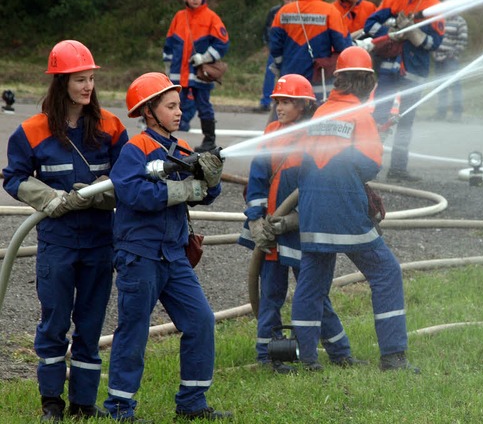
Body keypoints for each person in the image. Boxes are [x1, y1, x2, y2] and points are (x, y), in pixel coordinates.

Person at [2, 40, 128, 422]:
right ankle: (51, 402)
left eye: (91, 79)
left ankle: (84, 405)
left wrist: (100, 193)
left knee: (90, 325)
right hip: (57, 243)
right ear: (60, 83)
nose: (88, 87)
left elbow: (127, 177)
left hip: (98, 241)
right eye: (79, 79)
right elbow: (14, 178)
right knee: (55, 323)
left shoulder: (111, 126)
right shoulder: (31, 131)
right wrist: (51, 198)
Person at [103, 72, 231, 421]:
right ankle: (119, 408)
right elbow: (132, 192)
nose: (179, 112)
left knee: (201, 320)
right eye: (170, 106)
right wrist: (183, 191)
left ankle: (193, 403)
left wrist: (212, 177)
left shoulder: (184, 150)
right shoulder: (136, 149)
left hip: (173, 255)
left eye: (179, 105)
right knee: (134, 330)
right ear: (148, 112)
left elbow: (206, 193)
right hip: (139, 254)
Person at [291, 46, 419, 373]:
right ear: (365, 82)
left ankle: (305, 359)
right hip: (345, 211)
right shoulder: (361, 116)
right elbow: (371, 166)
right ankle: (393, 357)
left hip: (312, 212)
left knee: (312, 284)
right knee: (385, 272)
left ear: (339, 80)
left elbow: (306, 162)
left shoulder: (320, 113)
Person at [238, 74, 365, 373]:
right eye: (277, 101)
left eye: (286, 102)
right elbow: (257, 179)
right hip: (270, 233)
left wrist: (293, 221)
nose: (279, 107)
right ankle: (268, 356)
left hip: (301, 232)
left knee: (314, 293)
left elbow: (320, 189)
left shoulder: (315, 136)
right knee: (271, 294)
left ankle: (339, 352)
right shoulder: (271, 132)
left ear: (305, 106)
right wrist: (256, 221)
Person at [364, 0, 445, 182]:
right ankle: (369, 164)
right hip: (389, 69)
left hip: (415, 71)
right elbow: (370, 24)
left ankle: (398, 168)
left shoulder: (434, 6)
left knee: (405, 122)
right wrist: (392, 30)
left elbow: (434, 43)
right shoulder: (392, 0)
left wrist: (414, 34)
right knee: (378, 116)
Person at [270, 0, 352, 102]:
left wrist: (282, 66)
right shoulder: (330, 12)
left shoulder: (283, 12)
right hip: (318, 87)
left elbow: (275, 48)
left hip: (289, 86)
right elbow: (343, 48)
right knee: (316, 123)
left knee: (285, 123)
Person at [163, 0, 230, 151]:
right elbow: (169, 44)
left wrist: (205, 57)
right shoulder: (179, 17)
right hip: (178, 73)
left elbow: (223, 44)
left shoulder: (211, 17)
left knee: (204, 106)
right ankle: (167, 141)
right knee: (173, 106)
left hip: (199, 72)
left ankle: (209, 141)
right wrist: (168, 69)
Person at [257, 0, 297, 113]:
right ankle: (265, 101)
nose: (289, 2)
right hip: (277, 48)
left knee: (291, 75)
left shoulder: (300, 12)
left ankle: (291, 100)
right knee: (270, 73)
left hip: (292, 49)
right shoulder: (275, 12)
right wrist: (269, 44)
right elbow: (267, 29)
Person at [431, 0, 468, 122]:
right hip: (438, 58)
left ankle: (457, 114)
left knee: (455, 86)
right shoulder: (440, 20)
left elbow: (462, 40)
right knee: (440, 87)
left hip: (451, 60)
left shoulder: (460, 22)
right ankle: (441, 113)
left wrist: (453, 54)